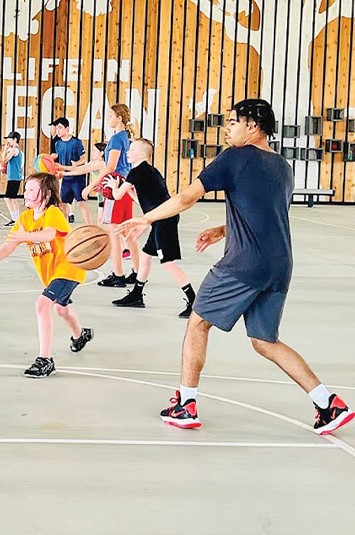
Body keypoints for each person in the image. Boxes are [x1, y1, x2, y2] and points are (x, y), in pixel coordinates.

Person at [119, 99, 354, 435]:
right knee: (264, 341)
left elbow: (187, 197)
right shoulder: (282, 167)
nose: (227, 129)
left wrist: (146, 217)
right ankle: (327, 403)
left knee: (198, 323)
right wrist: (223, 229)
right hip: (278, 266)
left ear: (253, 126)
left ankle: (185, 405)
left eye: (233, 122)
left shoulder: (235, 157)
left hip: (243, 264)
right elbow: (268, 214)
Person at [0, 173, 94, 377]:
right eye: (26, 189)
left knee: (42, 305)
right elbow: (9, 244)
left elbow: (49, 234)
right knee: (61, 309)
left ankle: (45, 359)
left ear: (45, 194)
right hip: (52, 273)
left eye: (31, 189)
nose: (25, 193)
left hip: (68, 268)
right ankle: (81, 335)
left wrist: (25, 236)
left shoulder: (52, 212)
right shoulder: (26, 218)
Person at [107, 138, 195, 318]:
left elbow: (116, 196)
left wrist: (114, 186)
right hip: (161, 217)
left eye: (131, 150)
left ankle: (194, 302)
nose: (127, 152)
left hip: (164, 220)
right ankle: (137, 295)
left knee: (168, 263)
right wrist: (132, 193)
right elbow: (145, 202)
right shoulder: (150, 172)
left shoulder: (136, 172)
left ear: (140, 154)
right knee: (146, 257)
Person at [85, 103, 140, 287]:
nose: (107, 118)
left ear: (119, 118)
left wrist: (91, 185)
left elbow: (110, 167)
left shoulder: (117, 139)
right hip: (125, 185)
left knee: (114, 231)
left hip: (115, 185)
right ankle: (139, 273)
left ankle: (118, 275)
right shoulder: (125, 137)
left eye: (110, 115)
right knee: (126, 231)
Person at [52, 118, 91, 225]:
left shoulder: (76, 143)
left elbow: (83, 158)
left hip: (77, 177)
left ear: (67, 128)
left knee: (81, 202)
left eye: (60, 128)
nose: (57, 130)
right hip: (66, 177)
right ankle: (65, 227)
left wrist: (76, 164)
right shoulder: (58, 144)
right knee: (62, 204)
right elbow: (59, 159)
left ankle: (89, 225)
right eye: (56, 128)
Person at [1, 131, 24, 228]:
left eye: (10, 139)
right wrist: (6, 149)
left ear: (15, 139)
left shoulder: (15, 150)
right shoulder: (14, 150)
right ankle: (16, 219)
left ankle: (15, 219)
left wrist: (6, 149)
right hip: (13, 177)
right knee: (12, 199)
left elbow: (4, 160)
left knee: (8, 198)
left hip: (14, 177)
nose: (8, 141)